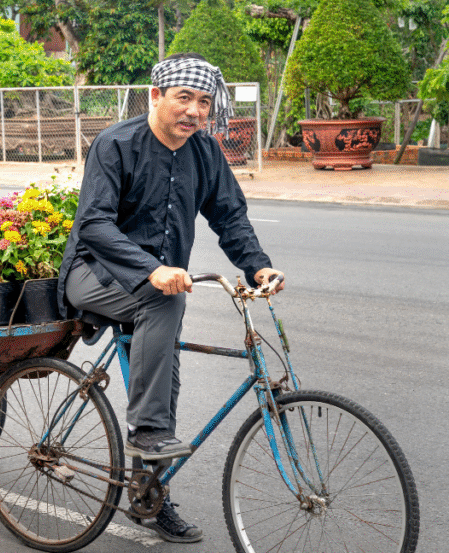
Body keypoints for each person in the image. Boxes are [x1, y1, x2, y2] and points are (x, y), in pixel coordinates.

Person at [56, 53, 284, 543]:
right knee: (162, 309)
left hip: (158, 285)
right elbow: (93, 224)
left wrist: (258, 266)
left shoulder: (205, 152)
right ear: (155, 96)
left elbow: (229, 215)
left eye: (204, 102)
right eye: (184, 98)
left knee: (165, 375)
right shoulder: (116, 144)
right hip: (93, 273)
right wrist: (152, 270)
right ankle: (147, 431)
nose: (195, 111)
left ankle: (148, 497)